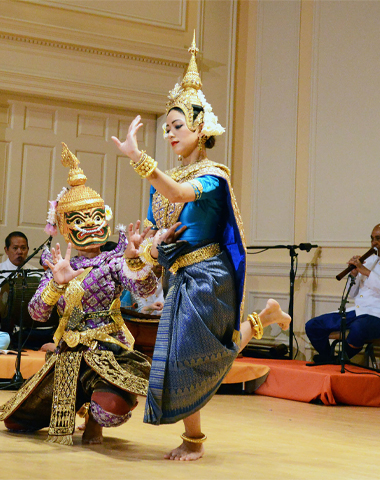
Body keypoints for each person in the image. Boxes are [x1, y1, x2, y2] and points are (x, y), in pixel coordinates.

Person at [111, 34, 291, 461]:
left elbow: (177, 194)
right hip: (180, 276)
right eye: (167, 128)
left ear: (200, 129)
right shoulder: (164, 188)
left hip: (210, 276)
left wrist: (137, 159)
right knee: (187, 357)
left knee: (196, 357)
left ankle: (193, 439)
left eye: (178, 126)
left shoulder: (213, 176)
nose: (170, 134)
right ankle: (264, 319)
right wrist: (142, 246)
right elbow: (159, 236)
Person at [0, 144, 158, 446]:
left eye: (96, 217)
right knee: (16, 422)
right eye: (79, 220)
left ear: (106, 218)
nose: (90, 226)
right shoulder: (59, 265)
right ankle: (76, 406)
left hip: (107, 350)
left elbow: (145, 290)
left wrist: (136, 261)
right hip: (67, 352)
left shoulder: (113, 261)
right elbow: (36, 314)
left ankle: (95, 418)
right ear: (63, 226)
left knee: (110, 410)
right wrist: (56, 284)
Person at [305, 223, 380, 363]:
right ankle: (329, 359)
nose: (374, 243)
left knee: (358, 328)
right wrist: (354, 274)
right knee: (313, 325)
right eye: (372, 238)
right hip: (358, 312)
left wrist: (368, 273)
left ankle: (341, 359)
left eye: (378, 239)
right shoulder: (370, 260)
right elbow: (353, 294)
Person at [0, 231, 42, 331]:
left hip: (28, 325)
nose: (19, 252)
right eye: (15, 248)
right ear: (6, 250)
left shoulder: (37, 275)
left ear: (28, 250)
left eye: (23, 248)